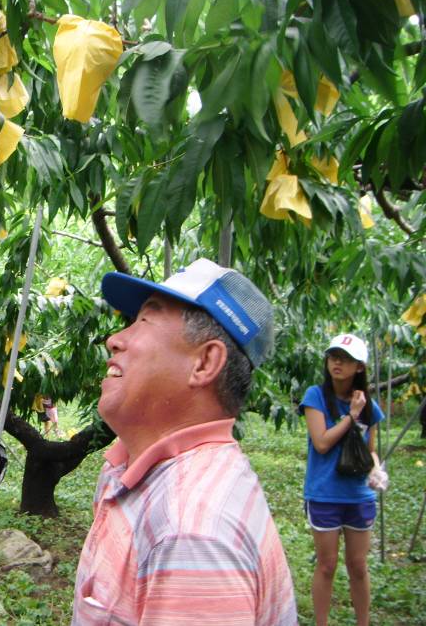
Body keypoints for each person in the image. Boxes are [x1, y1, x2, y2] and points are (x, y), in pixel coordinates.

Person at [73, 258, 297, 625]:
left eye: (145, 320)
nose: (114, 339)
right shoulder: (134, 468)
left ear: (204, 363)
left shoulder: (192, 534)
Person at [301, 333, 385, 626]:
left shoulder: (369, 406)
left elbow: (370, 450)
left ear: (359, 367)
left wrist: (376, 469)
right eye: (333, 356)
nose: (337, 362)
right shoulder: (315, 396)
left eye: (346, 358)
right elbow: (322, 442)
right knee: (326, 565)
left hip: (358, 496)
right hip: (324, 494)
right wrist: (351, 416)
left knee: (359, 566)